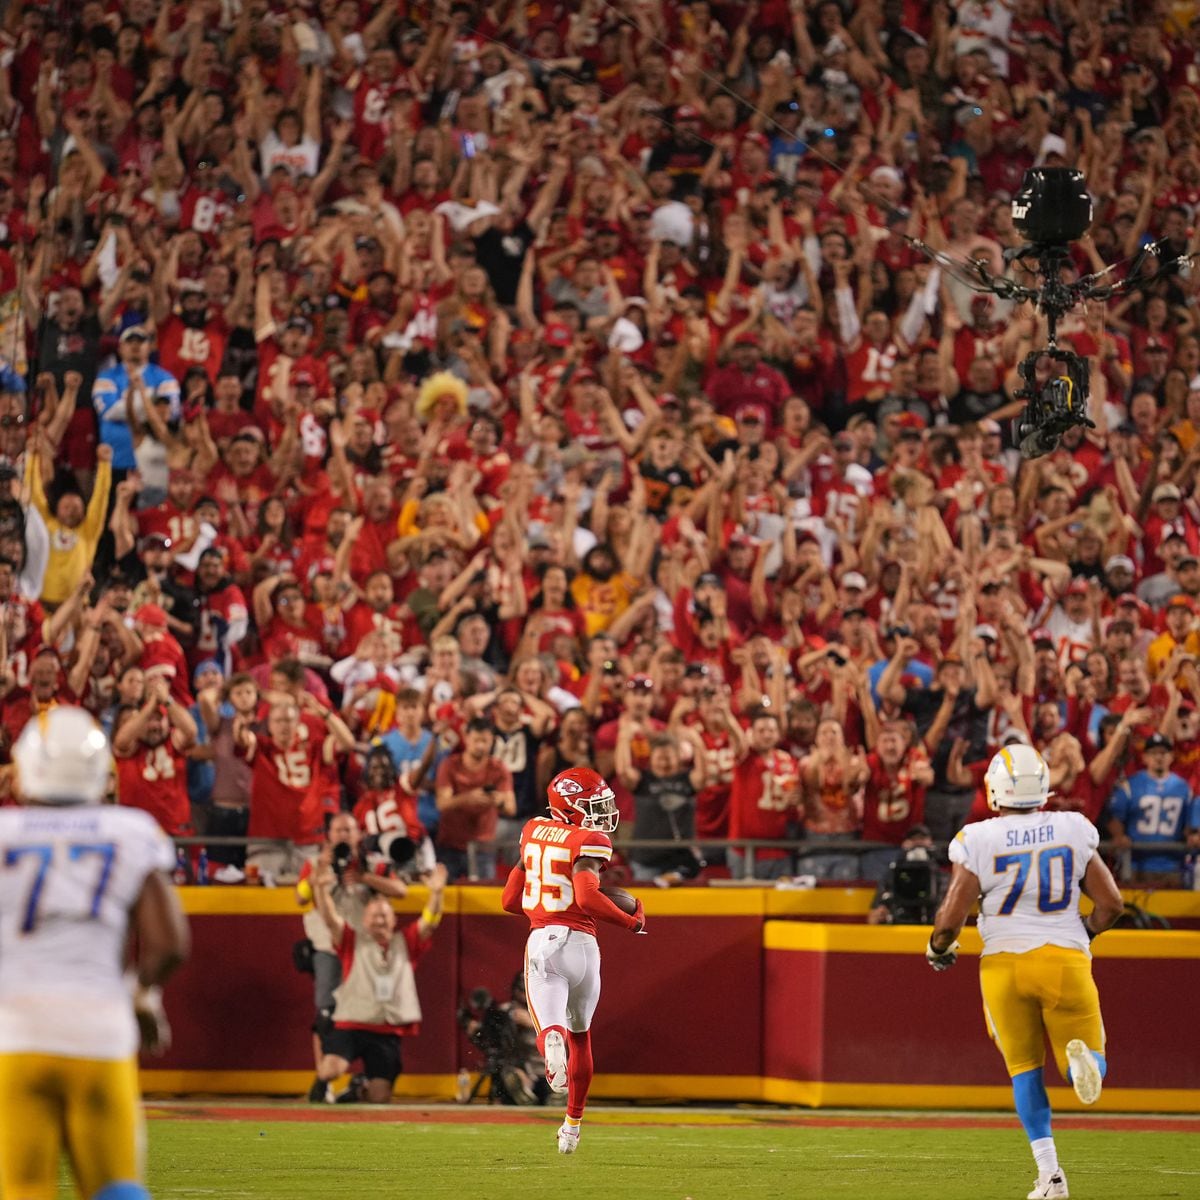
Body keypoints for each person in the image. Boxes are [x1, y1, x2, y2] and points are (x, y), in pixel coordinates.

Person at [0, 707, 189, 1200]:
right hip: (99, 1031)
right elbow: (169, 943)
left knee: (23, 1188)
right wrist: (141, 995)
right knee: (114, 1189)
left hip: (16, 1035)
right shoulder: (131, 831)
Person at [925, 744, 1125, 1200]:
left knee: (1023, 1072)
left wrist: (938, 948)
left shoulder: (978, 837)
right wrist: (1085, 933)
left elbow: (950, 918)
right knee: (1094, 1060)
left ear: (995, 790)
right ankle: (1082, 1067)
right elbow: (1112, 904)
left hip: (1004, 966)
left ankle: (1051, 1176)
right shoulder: (1073, 828)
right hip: (1064, 957)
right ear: (1044, 788)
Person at [500, 766, 646, 1154]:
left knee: (553, 1029)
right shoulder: (589, 839)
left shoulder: (532, 830)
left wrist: (541, 903)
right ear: (569, 807)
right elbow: (586, 897)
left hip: (544, 942)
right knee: (581, 1036)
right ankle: (571, 1126)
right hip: (583, 947)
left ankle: (550, 1040)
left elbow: (509, 901)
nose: (602, 812)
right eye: (592, 805)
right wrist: (631, 921)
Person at [311, 860, 447, 1104]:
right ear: (364, 920)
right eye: (374, 917)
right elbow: (330, 919)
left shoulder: (406, 941)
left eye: (384, 916)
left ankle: (358, 1090)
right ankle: (322, 1083)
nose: (380, 921)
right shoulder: (351, 941)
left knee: (380, 1097)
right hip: (351, 1023)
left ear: (394, 920)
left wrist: (437, 893)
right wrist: (320, 890)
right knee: (329, 1070)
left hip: (386, 1029)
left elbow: (430, 921)